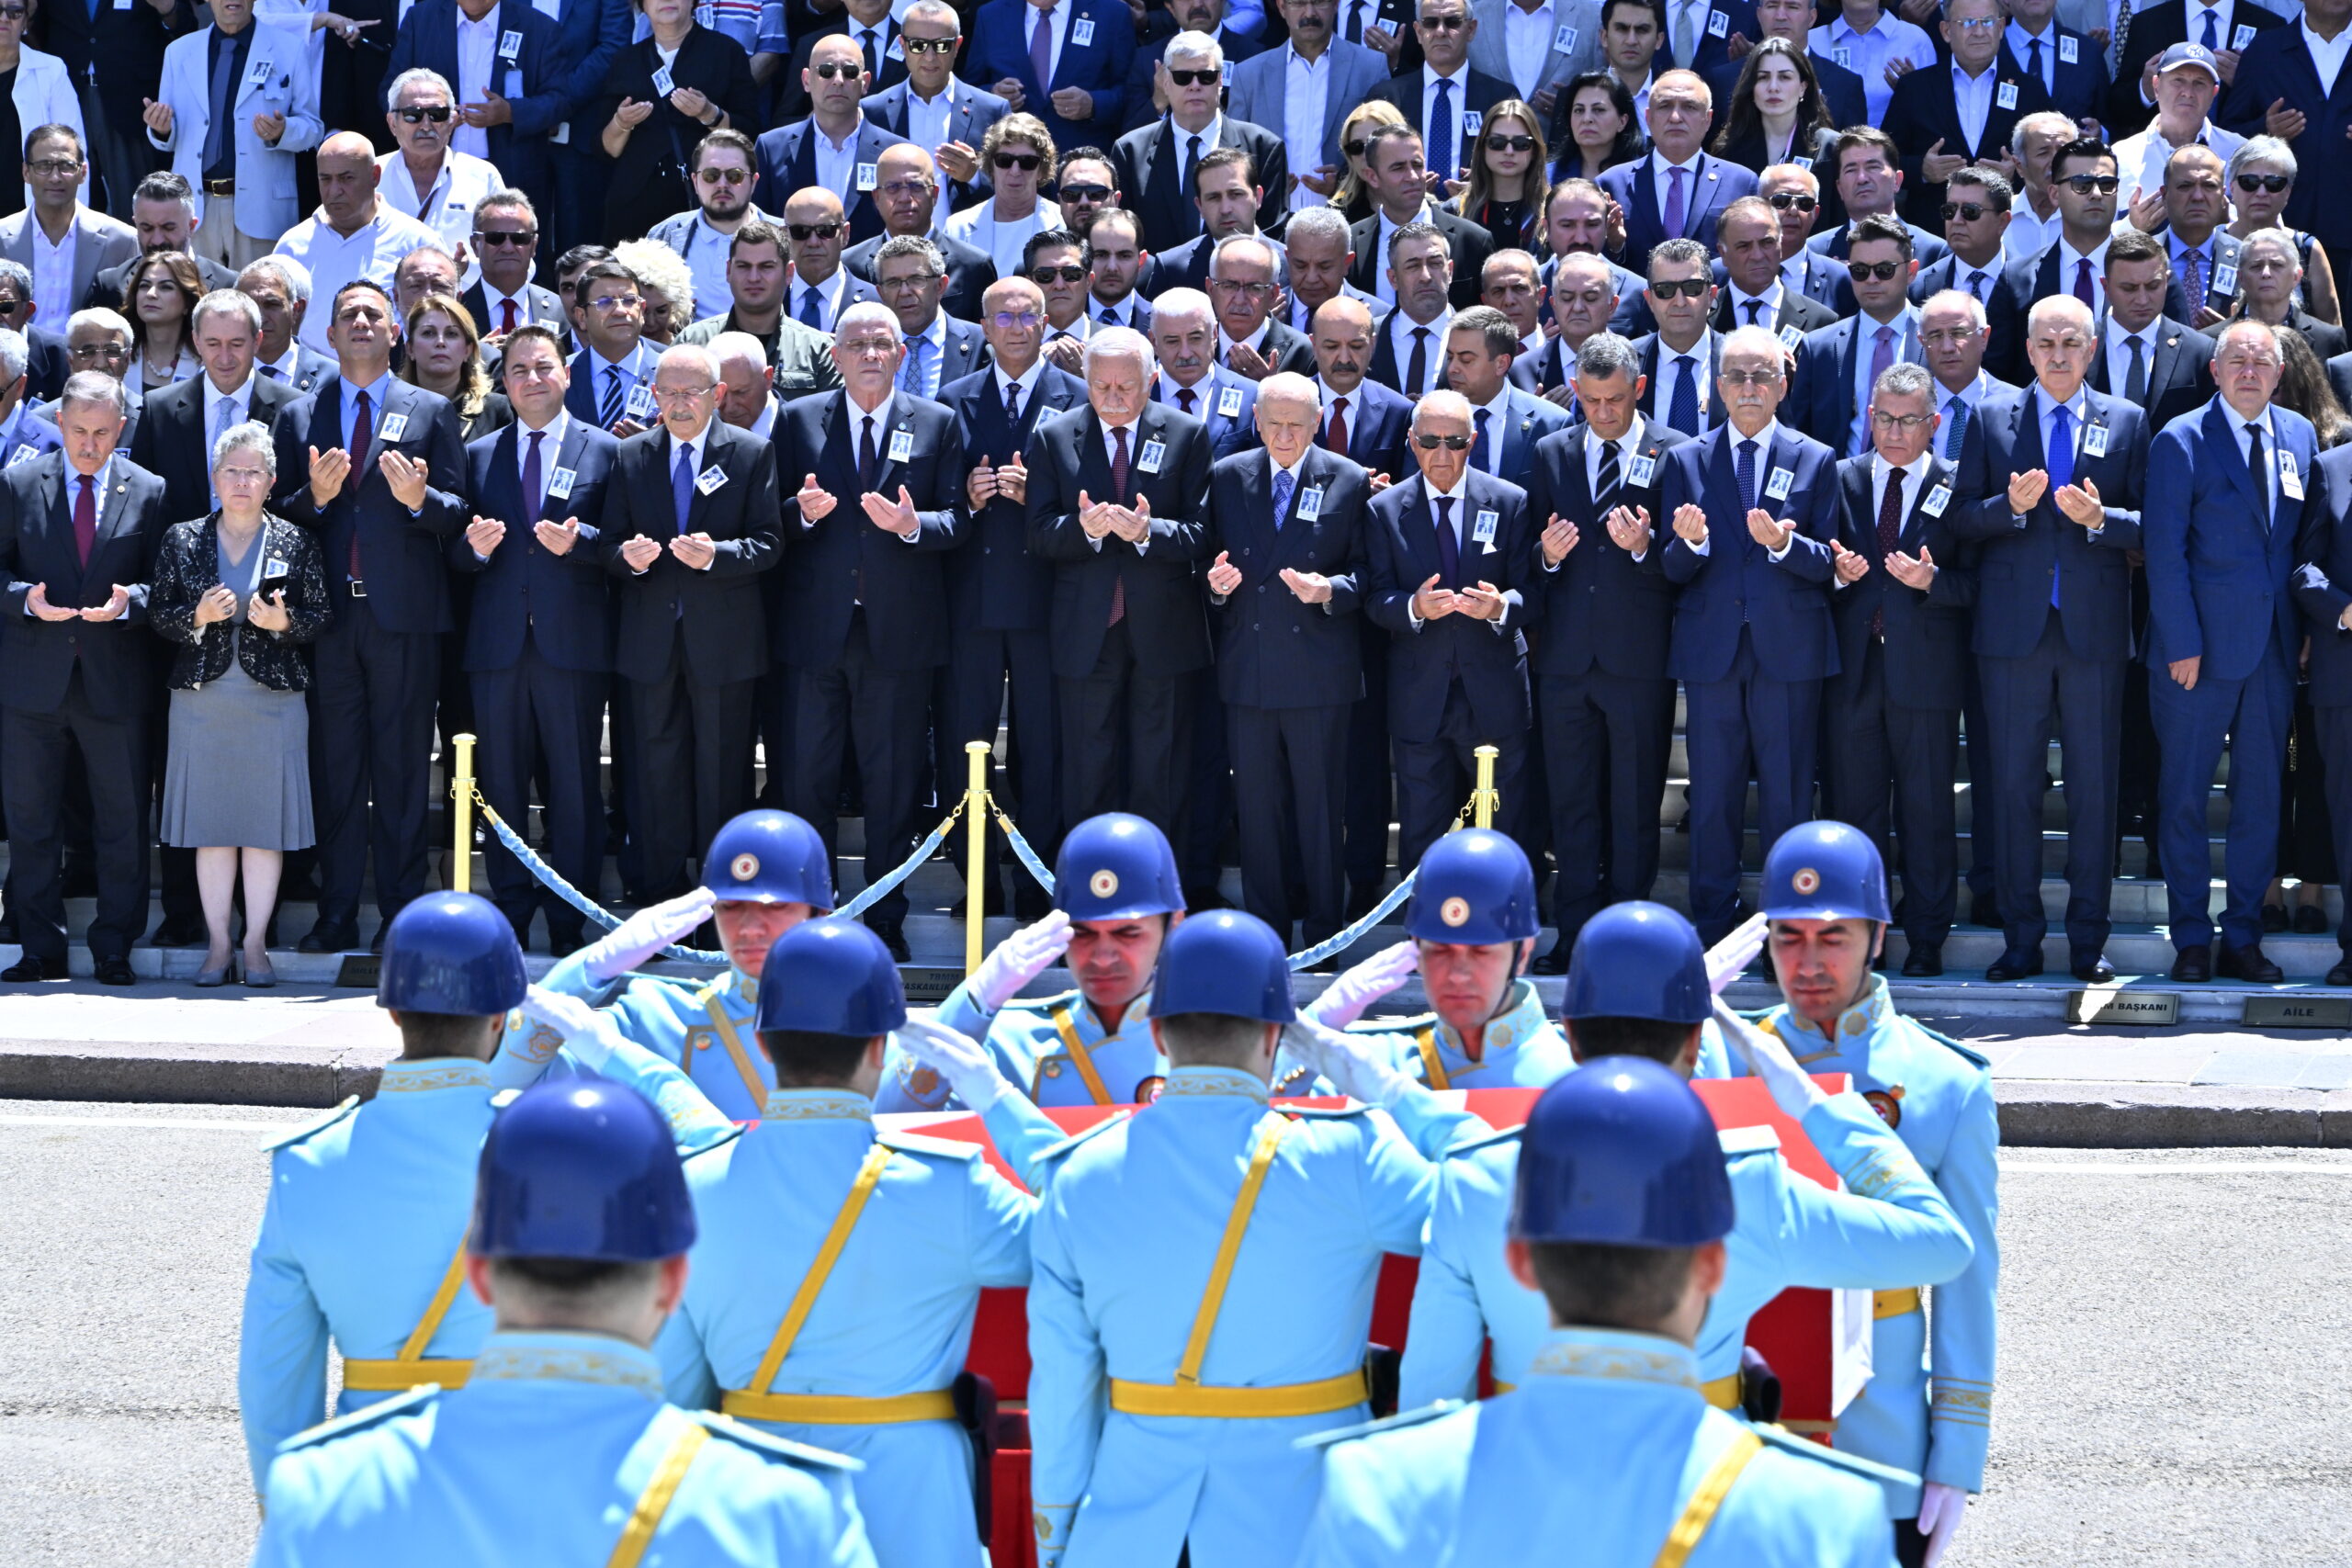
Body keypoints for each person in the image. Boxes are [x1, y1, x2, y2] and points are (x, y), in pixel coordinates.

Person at [529, 919, 1049, 1568]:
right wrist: (996, 1099)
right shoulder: (955, 1186)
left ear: (763, 1044)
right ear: (880, 1049)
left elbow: (675, 1388)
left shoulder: (694, 1190)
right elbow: (1088, 1232)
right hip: (914, 1511)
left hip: (753, 1507)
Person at [248, 1068, 876, 1566]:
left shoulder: (325, 1494)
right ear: (674, 1279)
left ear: (478, 1274)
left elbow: (272, 1366)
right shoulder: (788, 1509)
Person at [1298, 1055, 1899, 1567]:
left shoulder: (1377, 1488)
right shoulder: (1829, 1518)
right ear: (1714, 1263)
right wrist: (1825, 1109)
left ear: (1519, 1260)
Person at [1397, 898, 1973, 1432]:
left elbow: (1429, 1406)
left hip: (1530, 1491)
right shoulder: (1750, 1183)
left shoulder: (1474, 1178)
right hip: (1704, 1495)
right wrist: (1820, 1110)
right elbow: (1942, 1244)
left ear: (1569, 1035)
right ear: (1697, 1043)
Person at [1020, 908, 1463, 1568]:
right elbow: (1489, 1196)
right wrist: (1384, 1086)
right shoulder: (1352, 1158)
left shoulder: (1078, 1175)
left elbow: (1060, 1387)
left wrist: (1056, 1530)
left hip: (1132, 1532)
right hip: (1302, 1530)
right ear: (1277, 1037)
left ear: (1159, 1032)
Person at [1700, 820, 2001, 1568]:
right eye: (1788, 936)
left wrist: (1956, 1453)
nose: (1807, 961)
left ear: (1877, 933)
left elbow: (1967, 1285)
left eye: (1832, 936)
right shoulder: (1727, 1059)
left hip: (1879, 1433)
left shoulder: (1947, 1083)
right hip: (1743, 1413)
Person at [235, 892, 529, 1490]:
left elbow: (274, 1376)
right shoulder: (555, 1150)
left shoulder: (308, 1162)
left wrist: (287, 1505)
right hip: (518, 1478)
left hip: (367, 1486)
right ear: (501, 1014)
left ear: (393, 1011)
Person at [1952, 292, 2147, 983]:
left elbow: (2152, 525)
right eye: (2045, 344)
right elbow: (1958, 521)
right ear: (2027, 351)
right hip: (2013, 635)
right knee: (2011, 789)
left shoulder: (2127, 420)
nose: (2058, 355)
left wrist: (2104, 519)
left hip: (2092, 631)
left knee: (2094, 790)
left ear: (2092, 349)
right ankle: (2020, 939)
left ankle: (2087, 941)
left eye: (2071, 343)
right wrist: (2008, 507)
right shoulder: (1989, 417)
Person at [278, 279, 469, 953]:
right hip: (328, 622)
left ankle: (399, 912)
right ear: (326, 335)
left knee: (399, 769)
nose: (359, 321)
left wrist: (420, 501)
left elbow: (458, 512)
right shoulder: (300, 415)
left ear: (394, 333)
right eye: (346, 313)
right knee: (335, 771)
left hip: (404, 620)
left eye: (372, 313)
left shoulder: (431, 410)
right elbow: (279, 521)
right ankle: (335, 912)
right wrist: (318, 496)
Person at [775, 303, 966, 963]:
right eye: (856, 342)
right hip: (814, 631)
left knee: (892, 786)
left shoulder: (937, 423)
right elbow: (770, 521)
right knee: (808, 782)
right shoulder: (798, 419)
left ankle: (886, 915)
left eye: (882, 342)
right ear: (835, 350)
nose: (870, 353)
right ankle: (812, 912)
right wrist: (797, 516)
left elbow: (957, 523)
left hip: (898, 634)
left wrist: (912, 527)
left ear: (902, 352)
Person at [2143, 320, 2312, 983]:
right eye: (2236, 359)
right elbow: (2164, 551)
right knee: (2184, 795)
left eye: (2261, 361)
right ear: (2214, 371)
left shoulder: (2297, 435)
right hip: (2196, 654)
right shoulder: (2180, 439)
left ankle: (2242, 935)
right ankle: (2190, 936)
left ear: (2278, 372)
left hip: (2272, 649)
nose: (2249, 371)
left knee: (2260, 797)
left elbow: (2295, 546)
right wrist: (2181, 640)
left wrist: (2300, 629)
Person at [1662, 321, 1839, 945]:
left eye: (1761, 375)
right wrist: (1694, 542)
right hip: (1712, 652)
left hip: (1788, 652)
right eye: (1736, 375)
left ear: (1783, 384)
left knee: (1790, 798)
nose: (1748, 386)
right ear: (1717, 385)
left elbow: (1828, 564)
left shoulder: (1816, 457)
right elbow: (1670, 567)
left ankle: (1788, 928)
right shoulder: (1684, 460)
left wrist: (1785, 544)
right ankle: (1714, 926)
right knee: (1711, 798)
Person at [453, 324, 617, 954]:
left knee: (576, 787)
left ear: (567, 373)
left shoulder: (605, 451)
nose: (531, 379)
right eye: (518, 370)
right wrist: (469, 549)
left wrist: (584, 544)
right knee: (501, 787)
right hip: (497, 649)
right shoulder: (478, 454)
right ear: (504, 381)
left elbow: (624, 549)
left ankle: (571, 918)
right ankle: (513, 916)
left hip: (572, 647)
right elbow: (456, 558)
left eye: (543, 366)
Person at [1525, 331, 1689, 964]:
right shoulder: (1550, 452)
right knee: (1571, 801)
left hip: (1638, 660)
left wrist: (1644, 549)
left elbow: (1684, 564)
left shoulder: (1674, 452)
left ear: (1638, 390)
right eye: (1591, 401)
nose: (1603, 413)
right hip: (1566, 660)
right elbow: (1529, 555)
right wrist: (1546, 555)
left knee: (1634, 799)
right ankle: (1574, 933)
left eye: (1615, 400)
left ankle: (1627, 933)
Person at [0, 373, 168, 987]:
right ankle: (40, 945)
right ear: (60, 425)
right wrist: (23, 600)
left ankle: (113, 945)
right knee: (32, 820)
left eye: (102, 433)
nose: (90, 445)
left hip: (114, 683)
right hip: (31, 684)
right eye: (78, 432)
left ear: (120, 429)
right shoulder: (17, 484)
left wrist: (131, 603)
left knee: (122, 820)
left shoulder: (148, 490)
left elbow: (165, 585)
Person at [149, 421, 325, 986]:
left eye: (253, 472)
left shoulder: (296, 540)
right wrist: (195, 616)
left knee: (264, 828)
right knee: (213, 827)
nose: (242, 481)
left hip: (272, 699)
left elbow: (320, 617)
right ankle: (218, 945)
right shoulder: (181, 538)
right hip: (203, 702)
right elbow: (159, 614)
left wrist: (284, 622)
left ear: (271, 481)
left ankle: (256, 946)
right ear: (214, 478)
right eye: (232, 471)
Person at [603, 342, 779, 900]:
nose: (680, 404)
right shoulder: (629, 456)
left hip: (724, 642)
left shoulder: (751, 453)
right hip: (649, 640)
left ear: (717, 395)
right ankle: (659, 895)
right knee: (655, 773)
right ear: (654, 396)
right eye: (669, 392)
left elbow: (771, 544)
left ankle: (720, 895)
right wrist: (624, 559)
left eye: (692, 392)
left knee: (723, 774)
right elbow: (607, 544)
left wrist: (718, 556)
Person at [1199, 372, 1369, 945]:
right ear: (1256, 422)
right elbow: (1202, 563)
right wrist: (1216, 586)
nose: (1285, 436)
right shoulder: (1227, 476)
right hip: (1248, 669)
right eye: (1273, 424)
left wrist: (1331, 591)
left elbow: (1370, 573)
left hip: (1319, 672)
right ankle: (1266, 934)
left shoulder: (1348, 479)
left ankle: (1325, 932)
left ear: (1318, 423)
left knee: (1321, 811)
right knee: (1256, 809)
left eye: (1297, 425)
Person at [1026, 325, 1214, 840]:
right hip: (1086, 628)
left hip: (1161, 628)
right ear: (1085, 382)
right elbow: (1038, 533)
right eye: (1101, 386)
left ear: (1151, 380)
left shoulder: (1186, 433)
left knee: (1161, 767)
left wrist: (1149, 532)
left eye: (1125, 387)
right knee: (1089, 765)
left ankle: (1157, 889)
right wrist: (1082, 531)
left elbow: (1202, 532)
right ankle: (1092, 887)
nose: (1112, 397)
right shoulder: (1053, 436)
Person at [938, 276, 1084, 918]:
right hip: (970, 604)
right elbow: (933, 506)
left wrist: (1038, 500)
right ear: (985, 325)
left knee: (1044, 750)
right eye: (1005, 316)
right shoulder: (952, 400)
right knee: (963, 748)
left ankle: (1036, 885)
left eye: (1029, 314)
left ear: (1048, 321)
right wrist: (966, 500)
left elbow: (1090, 501)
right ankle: (978, 886)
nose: (1018, 326)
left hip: (1046, 602)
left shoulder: (1076, 400)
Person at [1822, 363, 1975, 976]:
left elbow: (1979, 583)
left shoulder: (1957, 484)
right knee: (1854, 809)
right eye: (1883, 417)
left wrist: (1934, 581)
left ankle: (1929, 935)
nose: (1893, 430)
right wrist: (1837, 574)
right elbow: (1814, 564)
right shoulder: (1840, 479)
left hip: (1926, 670)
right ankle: (1861, 935)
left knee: (1927, 807)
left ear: (1934, 423)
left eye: (1908, 419)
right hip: (1853, 669)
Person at [877, 811, 1171, 1111]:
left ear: (1172, 925)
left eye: (1128, 933)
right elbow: (889, 1118)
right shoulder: (1012, 1039)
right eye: (1082, 933)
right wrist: (970, 1004)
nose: (1104, 957)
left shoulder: (1201, 1046)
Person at [1361, 389, 1534, 866]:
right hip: (1421, 691)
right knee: (1422, 826)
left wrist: (1500, 607)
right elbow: (1376, 598)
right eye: (1430, 441)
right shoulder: (1384, 509)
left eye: (1454, 441)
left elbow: (1531, 592)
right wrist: (1413, 608)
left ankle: (1504, 922)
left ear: (1472, 441)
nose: (1442, 454)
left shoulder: (1510, 500)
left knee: (1502, 822)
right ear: (1412, 443)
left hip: (1493, 687)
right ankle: (1424, 932)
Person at [143, 0, 321, 272]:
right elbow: (169, 133)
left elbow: (313, 128)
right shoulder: (178, 52)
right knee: (196, 305)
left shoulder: (290, 48)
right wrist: (161, 128)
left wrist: (283, 131)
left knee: (259, 304)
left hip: (261, 205)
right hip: (195, 208)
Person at [380, 0, 568, 223]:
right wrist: (430, 116)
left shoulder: (538, 27)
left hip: (512, 173)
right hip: (428, 171)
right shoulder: (420, 19)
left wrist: (509, 112)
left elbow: (559, 101)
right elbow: (389, 92)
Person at [594, 0, 761, 241]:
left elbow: (750, 133)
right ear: (641, 6)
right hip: (635, 202)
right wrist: (622, 122)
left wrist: (710, 115)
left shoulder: (726, 51)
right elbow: (605, 148)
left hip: (703, 197)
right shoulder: (626, 60)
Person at [1881, 0, 2053, 231]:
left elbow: (2050, 162)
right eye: (1968, 23)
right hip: (1933, 232)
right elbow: (1885, 159)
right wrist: (1921, 170)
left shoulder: (2030, 90)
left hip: (2007, 232)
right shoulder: (1914, 87)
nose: (1979, 32)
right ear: (1946, 31)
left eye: (1988, 22)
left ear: (2001, 28)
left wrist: (2017, 173)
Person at [1112, 32, 1286, 254]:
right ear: (1165, 82)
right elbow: (1126, 237)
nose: (1194, 86)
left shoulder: (1263, 147)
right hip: (1156, 286)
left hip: (1240, 283)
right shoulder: (1130, 151)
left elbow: (1272, 233)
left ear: (1221, 81)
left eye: (1206, 76)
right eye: (1183, 77)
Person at [272, 132, 443, 358]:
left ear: (375, 175)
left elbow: (439, 317)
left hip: (394, 378)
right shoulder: (292, 246)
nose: (334, 190)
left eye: (346, 178)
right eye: (326, 179)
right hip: (310, 384)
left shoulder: (417, 242)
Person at [1225, 0, 1391, 215]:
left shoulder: (1371, 66)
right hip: (1270, 219)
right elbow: (1234, 151)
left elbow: (1384, 148)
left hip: (1349, 216)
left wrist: (1344, 182)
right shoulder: (1249, 75)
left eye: (1319, 2)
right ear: (1282, 8)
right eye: (1299, 3)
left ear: (1336, 5)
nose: (1309, 13)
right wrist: (1268, 182)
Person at [752, 35, 913, 246]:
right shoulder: (770, 148)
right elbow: (759, 230)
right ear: (806, 80)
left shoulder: (896, 152)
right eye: (826, 71)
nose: (838, 80)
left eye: (849, 72)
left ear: (865, 83)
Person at [855, 0, 1012, 215]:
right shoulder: (872, 111)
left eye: (941, 45)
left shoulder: (993, 110)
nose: (930, 57)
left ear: (957, 46)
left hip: (964, 243)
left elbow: (1015, 188)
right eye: (918, 45)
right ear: (902, 46)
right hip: (895, 244)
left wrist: (974, 176)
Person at [1791, 215, 1924, 460]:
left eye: (1885, 270)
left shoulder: (1935, 339)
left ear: (1912, 271)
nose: (1872, 280)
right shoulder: (1819, 347)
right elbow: (1800, 435)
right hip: (1842, 490)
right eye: (1860, 271)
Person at [1598, 70, 1759, 265]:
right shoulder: (1612, 183)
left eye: (1689, 107)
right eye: (1665, 106)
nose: (1675, 117)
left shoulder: (1741, 183)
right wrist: (1615, 246)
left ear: (1708, 119)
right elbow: (1600, 262)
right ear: (1648, 118)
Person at [673, 221, 848, 399]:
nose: (754, 278)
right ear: (728, 270)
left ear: (789, 273)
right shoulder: (692, 343)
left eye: (766, 267)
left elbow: (830, 419)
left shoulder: (818, 351)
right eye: (743, 266)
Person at [838, 143, 1000, 322]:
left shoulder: (973, 266)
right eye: (893, 187)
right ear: (877, 197)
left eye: (916, 186)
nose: (905, 198)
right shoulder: (849, 267)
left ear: (935, 194)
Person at [1364, 0, 1513, 187]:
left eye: (1452, 22)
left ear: (1471, 29)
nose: (1441, 31)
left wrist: (1483, 187)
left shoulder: (1501, 98)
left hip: (1476, 213)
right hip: (1407, 215)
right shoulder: (1387, 98)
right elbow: (1368, 167)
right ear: (1418, 32)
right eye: (1430, 23)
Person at [0, 127, 136, 324]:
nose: (55, 177)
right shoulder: (3, 236)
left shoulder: (121, 241)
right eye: (44, 166)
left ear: (83, 172)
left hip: (88, 353)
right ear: (26, 172)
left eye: (66, 165)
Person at [1349, 125, 1493, 310]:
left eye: (1417, 165)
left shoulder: (1473, 241)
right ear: (1372, 176)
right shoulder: (1352, 244)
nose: (1412, 176)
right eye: (1398, 168)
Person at [966, 0, 1138, 153]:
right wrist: (994, 96)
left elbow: (1132, 92)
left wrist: (1093, 105)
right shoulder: (990, 15)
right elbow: (969, 92)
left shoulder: (1111, 13)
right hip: (1013, 165)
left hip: (1081, 167)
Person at [646, 131, 775, 327]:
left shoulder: (787, 236)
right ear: (695, 181)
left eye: (734, 176)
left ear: (754, 182)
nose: (722, 185)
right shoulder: (665, 236)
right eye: (711, 176)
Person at [946, 113, 1067, 281]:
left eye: (1027, 162)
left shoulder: (1063, 221)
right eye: (1004, 160)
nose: (1015, 171)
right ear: (991, 166)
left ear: (1041, 170)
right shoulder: (957, 227)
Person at [874, 234, 989, 397]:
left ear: (941, 286)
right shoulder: (866, 348)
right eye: (893, 283)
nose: (905, 292)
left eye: (916, 280)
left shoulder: (982, 343)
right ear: (881, 293)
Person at [1706, 38, 1838, 177]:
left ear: (1802, 87)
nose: (1773, 87)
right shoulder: (1728, 150)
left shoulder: (1829, 148)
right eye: (1763, 77)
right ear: (1751, 87)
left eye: (1785, 77)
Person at [1633, 237, 1723, 434]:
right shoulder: (1627, 362)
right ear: (1649, 300)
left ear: (1711, 294)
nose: (1680, 301)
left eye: (1692, 288)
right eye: (1665, 290)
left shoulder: (1740, 360)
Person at [400, 291, 509, 442]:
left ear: (468, 350)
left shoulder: (495, 410)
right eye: (428, 333)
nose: (440, 342)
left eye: (451, 334)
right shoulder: (390, 407)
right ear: (410, 349)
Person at [461, 190, 566, 345]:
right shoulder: (457, 311)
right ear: (475, 245)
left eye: (519, 238)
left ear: (533, 245)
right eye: (495, 238)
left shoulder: (559, 309)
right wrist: (480, 354)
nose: (508, 248)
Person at [1449, 99, 1546, 254]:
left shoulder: (1552, 211)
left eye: (1521, 143)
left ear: (1535, 150)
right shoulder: (1453, 211)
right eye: (1497, 142)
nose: (1509, 151)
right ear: (1483, 147)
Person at [240, 254, 337, 393]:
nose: (260, 317)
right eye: (249, 305)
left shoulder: (331, 378)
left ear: (297, 310)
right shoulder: (217, 372)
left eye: (272, 304)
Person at [1553, 70, 1642, 180]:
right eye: (1579, 110)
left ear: (1622, 121)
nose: (1587, 119)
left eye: (1599, 110)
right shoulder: (1547, 176)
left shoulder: (1643, 175)